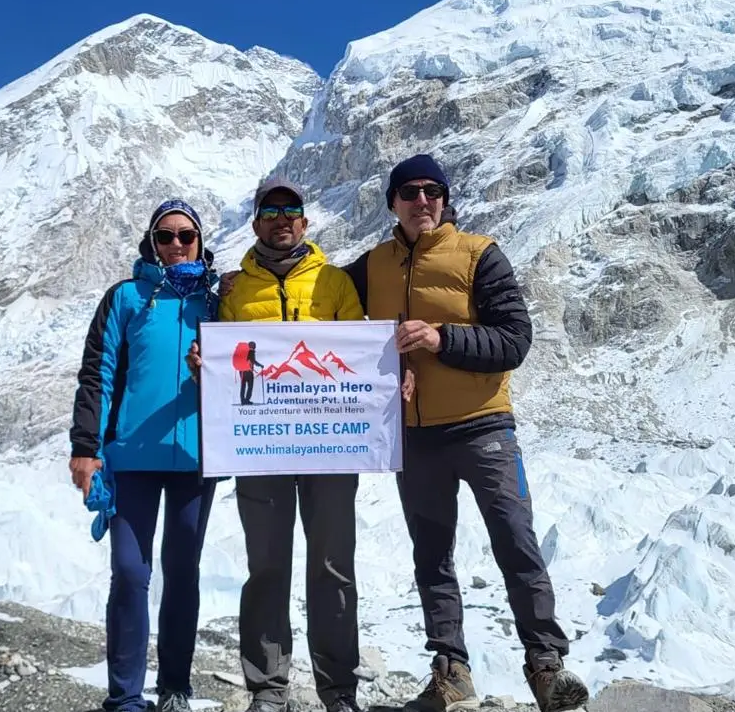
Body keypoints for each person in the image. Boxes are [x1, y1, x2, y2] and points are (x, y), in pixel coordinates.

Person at [341, 154, 590, 712]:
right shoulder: (371, 266)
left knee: (516, 541)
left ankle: (546, 667)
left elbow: (514, 340)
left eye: (432, 190)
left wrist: (440, 340)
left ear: (445, 199)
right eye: (409, 191)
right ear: (393, 202)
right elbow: (322, 309)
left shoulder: (479, 254)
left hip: (484, 429)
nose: (422, 200)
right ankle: (451, 672)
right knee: (432, 557)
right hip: (414, 436)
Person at [187, 177, 366, 712]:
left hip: (330, 449)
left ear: (305, 222)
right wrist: (206, 366)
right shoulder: (234, 289)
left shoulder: (335, 281)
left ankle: (339, 692)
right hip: (258, 447)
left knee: (334, 566)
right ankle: (268, 689)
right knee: (266, 566)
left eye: (292, 210)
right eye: (271, 210)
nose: (282, 218)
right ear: (256, 222)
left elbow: (355, 351)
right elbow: (221, 359)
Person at [69, 199, 221, 712]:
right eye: (165, 236)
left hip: (198, 460)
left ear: (200, 242)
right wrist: (85, 448)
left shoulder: (219, 302)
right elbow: (99, 374)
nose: (177, 245)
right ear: (150, 243)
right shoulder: (126, 298)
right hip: (131, 460)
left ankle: (175, 688)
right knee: (131, 574)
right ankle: (125, 698)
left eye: (186, 236)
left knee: (183, 571)